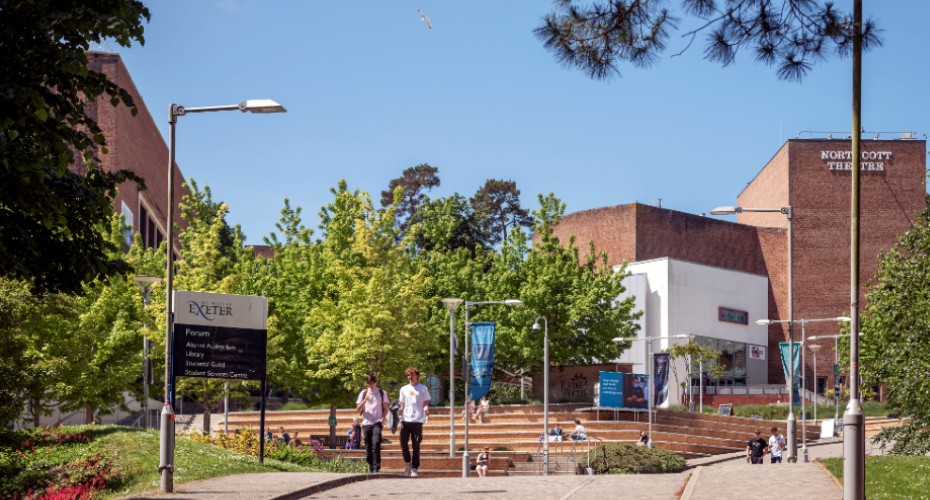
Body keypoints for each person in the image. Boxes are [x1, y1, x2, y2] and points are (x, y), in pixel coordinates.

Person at [398, 366, 431, 478]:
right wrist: (398, 410)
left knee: (416, 445)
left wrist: (426, 409)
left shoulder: (423, 388)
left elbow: (425, 403)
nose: (410, 377)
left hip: (417, 421)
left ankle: (414, 468)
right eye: (408, 375)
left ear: (417, 375)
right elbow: (401, 404)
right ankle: (408, 463)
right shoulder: (403, 389)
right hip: (405, 420)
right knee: (403, 442)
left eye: (412, 375)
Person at [356, 374, 389, 473]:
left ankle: (376, 467)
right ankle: (370, 467)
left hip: (377, 422)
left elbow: (385, 407)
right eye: (369, 383)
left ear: (376, 382)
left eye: (373, 382)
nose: (371, 384)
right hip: (366, 423)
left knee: (376, 443)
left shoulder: (382, 393)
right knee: (368, 447)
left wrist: (383, 417)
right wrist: (364, 400)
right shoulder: (363, 393)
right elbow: (358, 408)